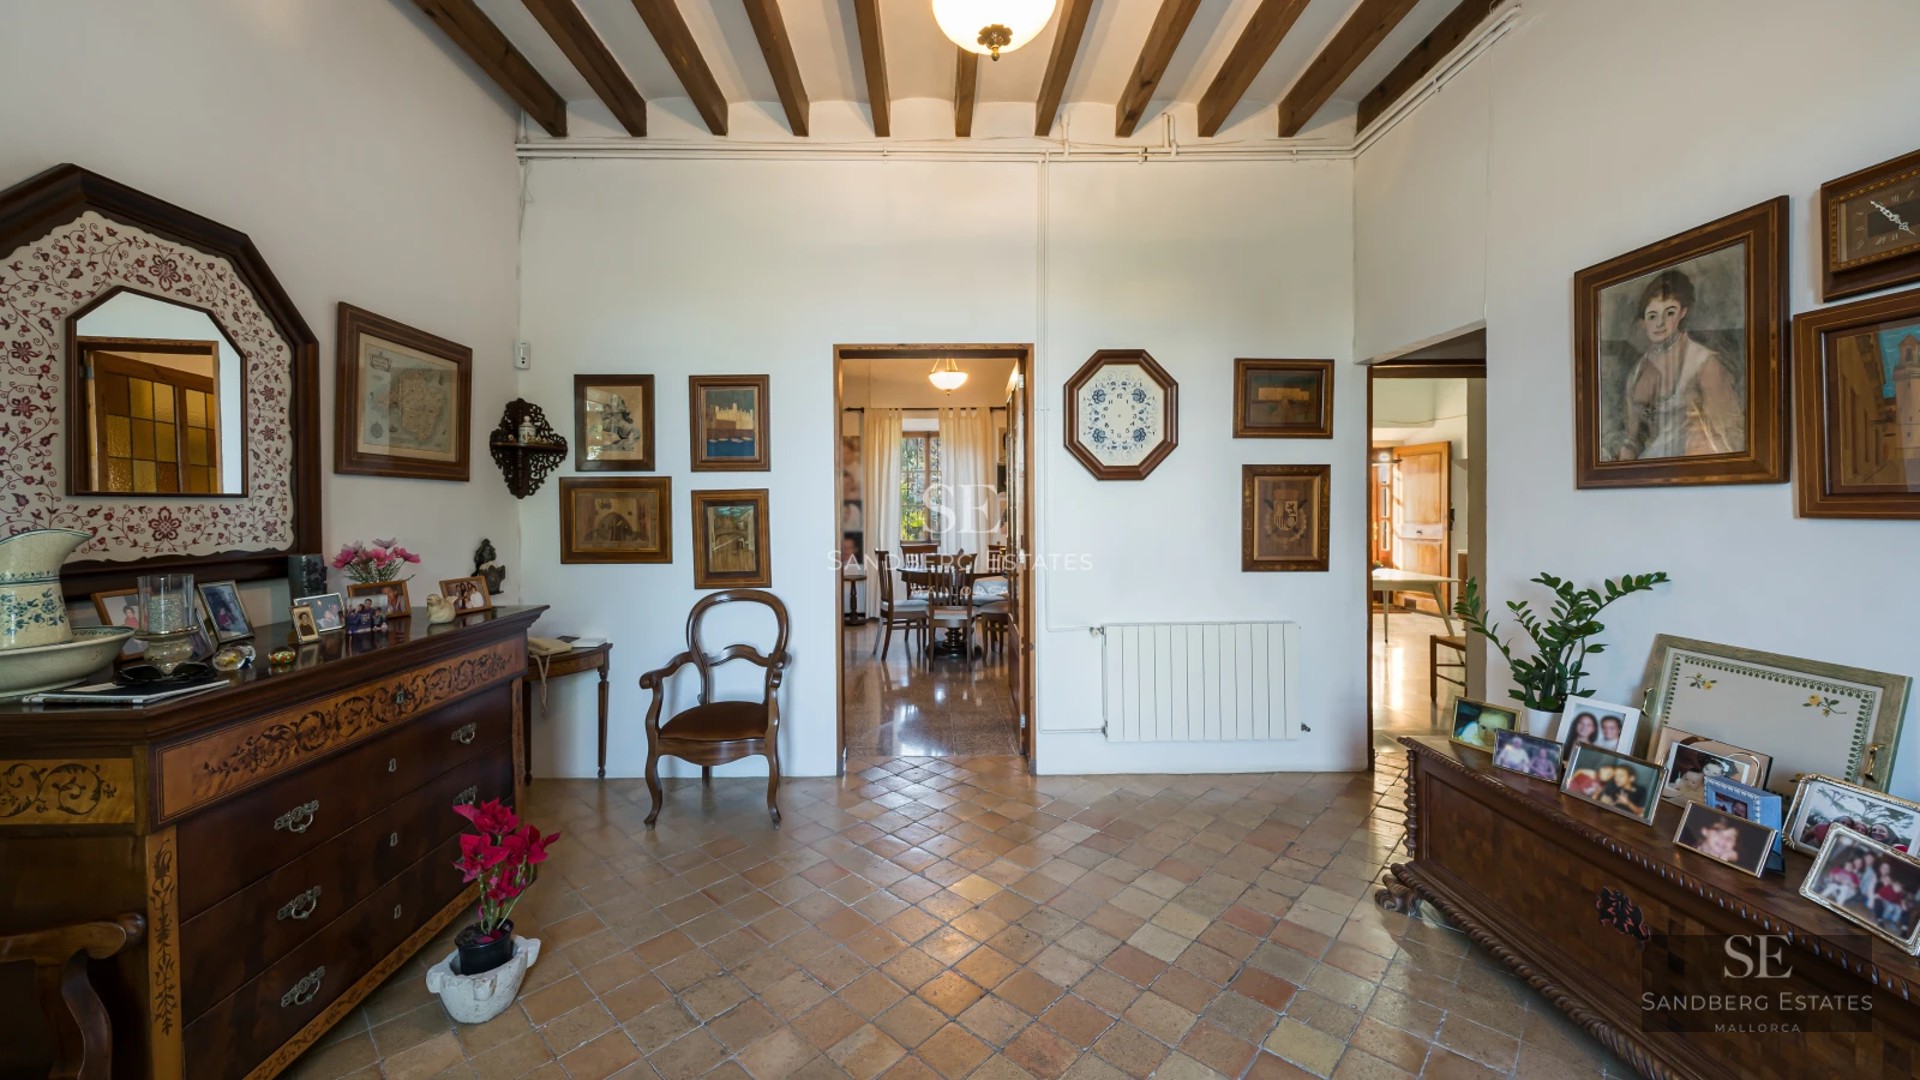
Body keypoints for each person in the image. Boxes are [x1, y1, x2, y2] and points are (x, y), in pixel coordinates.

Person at [1612, 269, 1745, 461]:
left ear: (1683, 312)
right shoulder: (1637, 372)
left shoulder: (1705, 364)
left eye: (1669, 312)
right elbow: (1632, 437)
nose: (1660, 323)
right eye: (1652, 316)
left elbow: (1729, 435)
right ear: (1643, 322)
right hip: (1648, 473)